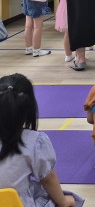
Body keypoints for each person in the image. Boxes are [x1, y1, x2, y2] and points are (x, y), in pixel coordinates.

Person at [0, 73, 84, 207]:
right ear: (29, 108)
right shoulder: (33, 141)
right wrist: (63, 201)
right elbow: (48, 179)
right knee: (72, 199)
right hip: (16, 202)